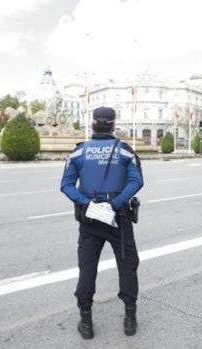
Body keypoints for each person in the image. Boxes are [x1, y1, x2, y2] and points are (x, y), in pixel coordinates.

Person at [60, 107, 144, 340]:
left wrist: (88, 204)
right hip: (119, 219)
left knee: (88, 268)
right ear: (113, 125)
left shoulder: (78, 153)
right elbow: (137, 182)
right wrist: (114, 204)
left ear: (93, 124)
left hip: (89, 219)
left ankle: (85, 322)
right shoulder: (126, 151)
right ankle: (129, 319)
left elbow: (65, 185)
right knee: (127, 266)